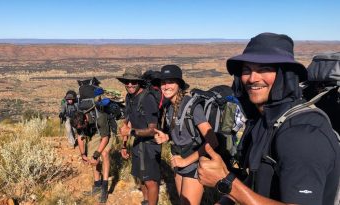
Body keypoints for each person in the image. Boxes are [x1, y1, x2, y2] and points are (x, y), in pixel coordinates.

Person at [197, 32, 340, 205]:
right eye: (246, 70)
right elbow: (256, 179)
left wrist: (226, 182)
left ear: (285, 74)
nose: (252, 78)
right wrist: (227, 200)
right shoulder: (262, 122)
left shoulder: (302, 133)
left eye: (264, 69)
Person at [153, 65, 219, 205]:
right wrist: (167, 137)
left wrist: (186, 161)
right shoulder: (169, 106)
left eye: (170, 82)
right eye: (163, 83)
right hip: (179, 162)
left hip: (194, 163)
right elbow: (181, 131)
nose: (166, 86)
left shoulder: (192, 106)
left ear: (179, 85)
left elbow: (213, 141)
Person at [117, 67, 161, 205]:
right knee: (141, 177)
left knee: (151, 181)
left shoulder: (147, 99)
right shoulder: (129, 97)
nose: (130, 84)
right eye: (127, 82)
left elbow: (153, 130)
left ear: (139, 82)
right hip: (137, 143)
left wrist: (130, 132)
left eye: (133, 81)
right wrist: (124, 145)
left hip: (149, 146)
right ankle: (146, 201)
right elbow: (126, 123)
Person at [78, 86, 112, 203]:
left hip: (106, 131)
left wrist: (97, 154)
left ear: (86, 120)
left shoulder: (100, 116)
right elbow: (80, 138)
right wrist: (83, 154)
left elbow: (105, 138)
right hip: (94, 131)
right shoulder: (78, 119)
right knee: (93, 157)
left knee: (105, 154)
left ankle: (105, 187)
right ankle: (97, 185)